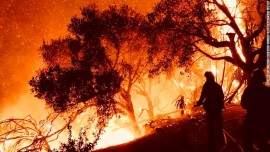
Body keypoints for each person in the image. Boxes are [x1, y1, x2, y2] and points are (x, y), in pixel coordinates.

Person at [241, 68, 270, 152]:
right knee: (262, 144)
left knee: (248, 143)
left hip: (252, 120)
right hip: (264, 121)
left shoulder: (249, 90)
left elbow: (243, 103)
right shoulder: (267, 91)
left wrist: (250, 107)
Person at [194, 71, 225, 151]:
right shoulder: (217, 86)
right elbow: (222, 97)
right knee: (218, 126)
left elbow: (202, 96)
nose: (206, 79)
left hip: (211, 109)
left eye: (207, 77)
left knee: (212, 127)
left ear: (209, 77)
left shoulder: (207, 86)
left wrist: (199, 103)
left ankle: (213, 145)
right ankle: (221, 143)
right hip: (217, 109)